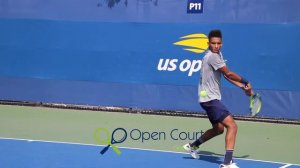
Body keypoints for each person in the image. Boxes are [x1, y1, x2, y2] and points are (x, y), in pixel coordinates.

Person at [183, 29, 252, 168]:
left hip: (207, 99)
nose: (216, 46)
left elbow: (226, 75)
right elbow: (229, 73)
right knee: (232, 126)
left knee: (219, 129)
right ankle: (227, 163)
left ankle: (193, 146)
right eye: (213, 43)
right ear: (208, 43)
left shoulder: (217, 55)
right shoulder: (212, 57)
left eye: (218, 43)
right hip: (210, 99)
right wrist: (245, 81)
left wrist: (241, 87)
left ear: (222, 43)